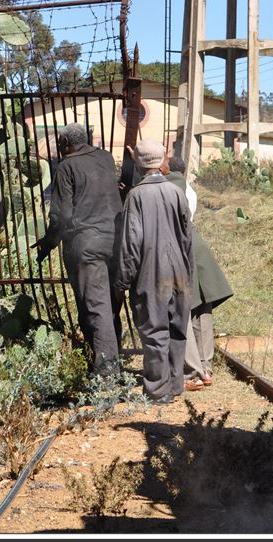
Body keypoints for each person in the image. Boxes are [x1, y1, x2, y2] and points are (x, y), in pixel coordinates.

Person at [32, 123, 123, 375]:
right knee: (110, 303)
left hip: (87, 243)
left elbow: (61, 215)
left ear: (64, 143)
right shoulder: (105, 158)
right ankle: (111, 357)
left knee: (96, 306)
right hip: (115, 240)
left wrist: (48, 243)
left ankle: (106, 372)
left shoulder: (66, 166)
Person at [114, 139, 192, 404]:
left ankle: (158, 391)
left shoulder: (136, 196)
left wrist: (122, 281)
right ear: (161, 162)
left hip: (151, 270)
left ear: (138, 164)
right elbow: (187, 237)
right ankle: (175, 384)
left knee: (155, 329)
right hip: (179, 268)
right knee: (177, 328)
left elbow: (131, 243)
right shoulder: (176, 192)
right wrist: (187, 271)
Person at [163, 156, 233, 391]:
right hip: (196, 248)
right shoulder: (187, 187)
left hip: (184, 249)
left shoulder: (172, 182)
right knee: (202, 311)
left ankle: (193, 372)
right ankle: (205, 367)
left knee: (183, 308)